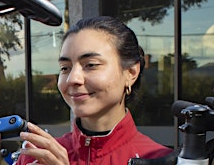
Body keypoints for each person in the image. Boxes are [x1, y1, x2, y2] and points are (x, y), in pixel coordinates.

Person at [14, 16, 173, 164]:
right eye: (65, 68)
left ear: (131, 73)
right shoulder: (37, 156)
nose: (72, 79)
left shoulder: (160, 160)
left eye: (91, 65)